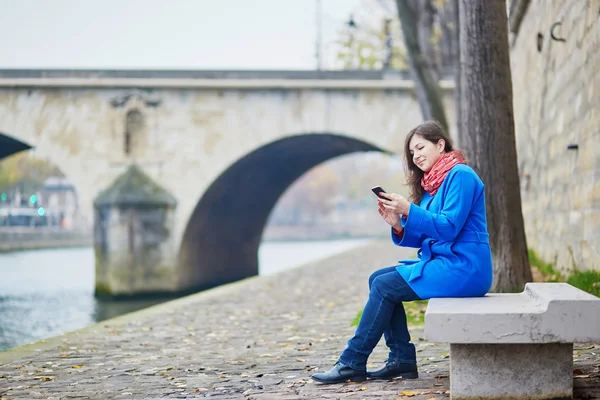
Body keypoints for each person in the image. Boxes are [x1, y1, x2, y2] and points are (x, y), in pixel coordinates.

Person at [311, 120, 493, 384]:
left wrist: (409, 209)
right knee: (378, 279)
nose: (416, 156)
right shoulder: (433, 186)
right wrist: (398, 224)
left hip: (465, 268)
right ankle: (401, 359)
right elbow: (428, 234)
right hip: (446, 263)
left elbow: (450, 228)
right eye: (412, 153)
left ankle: (352, 361)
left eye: (421, 148)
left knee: (385, 285)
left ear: (440, 145)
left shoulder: (461, 176)